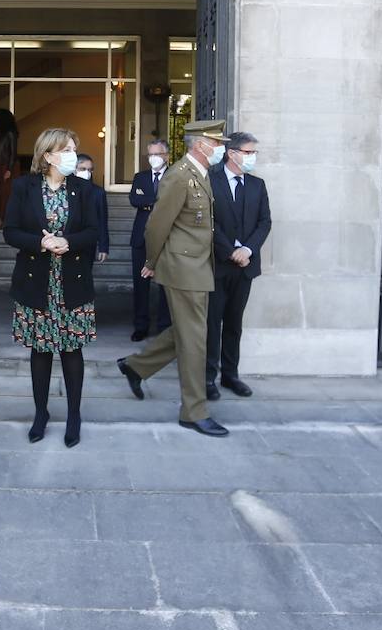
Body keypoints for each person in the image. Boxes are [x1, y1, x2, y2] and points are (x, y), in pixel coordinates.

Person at [116, 121, 230, 437]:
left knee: (187, 331)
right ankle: (194, 412)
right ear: (200, 146)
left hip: (197, 267)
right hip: (183, 269)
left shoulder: (200, 174)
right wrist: (152, 262)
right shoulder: (180, 176)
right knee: (195, 340)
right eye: (216, 143)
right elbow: (156, 226)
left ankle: (136, 366)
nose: (221, 148)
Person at [5, 128, 99, 448]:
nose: (73, 154)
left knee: (72, 351)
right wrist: (41, 243)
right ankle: (40, 413)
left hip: (71, 280)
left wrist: (67, 241)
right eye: (67, 149)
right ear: (48, 156)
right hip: (36, 281)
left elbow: (93, 232)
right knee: (41, 351)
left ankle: (74, 415)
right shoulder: (23, 187)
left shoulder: (83, 190)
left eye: (74, 148)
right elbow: (10, 232)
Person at [205, 132, 271, 401]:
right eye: (248, 152)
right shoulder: (210, 181)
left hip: (245, 267)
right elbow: (208, 222)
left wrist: (247, 250)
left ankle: (230, 376)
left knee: (234, 324)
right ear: (232, 153)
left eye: (254, 153)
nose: (252, 157)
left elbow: (264, 222)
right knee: (212, 325)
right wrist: (229, 250)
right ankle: (208, 377)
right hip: (218, 266)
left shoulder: (257, 185)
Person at [128, 140, 172, 341]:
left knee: (166, 285)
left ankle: (164, 326)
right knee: (140, 284)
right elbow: (134, 200)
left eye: (157, 154)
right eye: (150, 154)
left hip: (167, 238)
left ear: (167, 156)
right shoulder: (141, 177)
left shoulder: (174, 176)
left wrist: (148, 204)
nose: (153, 158)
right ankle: (141, 325)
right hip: (141, 238)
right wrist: (157, 204)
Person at [75, 153, 110, 263]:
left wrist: (103, 247)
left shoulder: (98, 193)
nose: (87, 172)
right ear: (74, 169)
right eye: (82, 169)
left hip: (88, 242)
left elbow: (102, 221)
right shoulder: (63, 190)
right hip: (66, 241)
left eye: (90, 170)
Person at [0, 108, 20, 225]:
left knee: (5, 194)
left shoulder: (10, 133)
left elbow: (13, 153)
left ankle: (4, 219)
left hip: (7, 167)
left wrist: (9, 169)